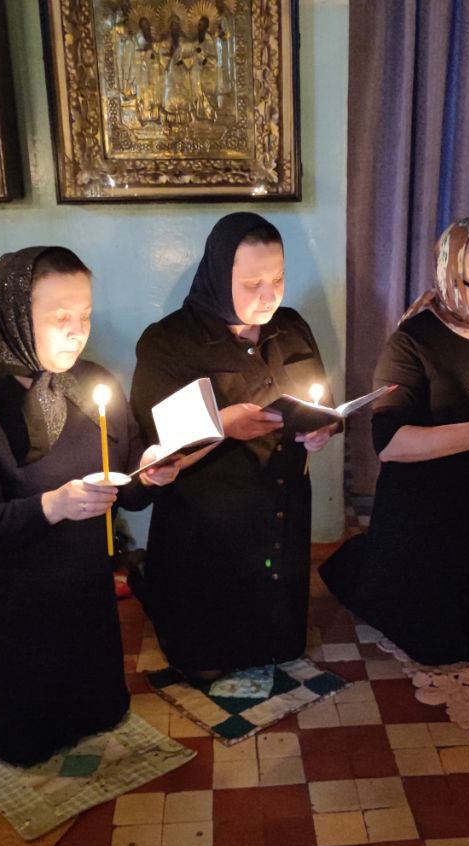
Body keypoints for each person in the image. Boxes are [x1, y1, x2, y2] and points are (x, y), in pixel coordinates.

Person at [0, 247, 176, 767]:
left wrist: (151, 471)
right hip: (10, 601)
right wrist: (51, 506)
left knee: (102, 714)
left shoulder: (94, 384)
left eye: (85, 316)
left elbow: (126, 487)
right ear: (12, 315)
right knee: (23, 746)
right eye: (60, 318)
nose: (77, 333)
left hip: (84, 593)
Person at [320, 216, 469, 668]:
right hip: (430, 511)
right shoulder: (412, 341)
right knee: (432, 637)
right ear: (450, 275)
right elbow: (389, 443)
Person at [129, 212, 336, 680]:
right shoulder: (169, 341)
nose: (269, 295)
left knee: (281, 642)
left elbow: (319, 401)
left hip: (282, 509)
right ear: (220, 276)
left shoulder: (291, 326)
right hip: (206, 524)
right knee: (206, 650)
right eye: (252, 283)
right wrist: (222, 425)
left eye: (278, 278)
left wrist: (321, 429)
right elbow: (154, 448)